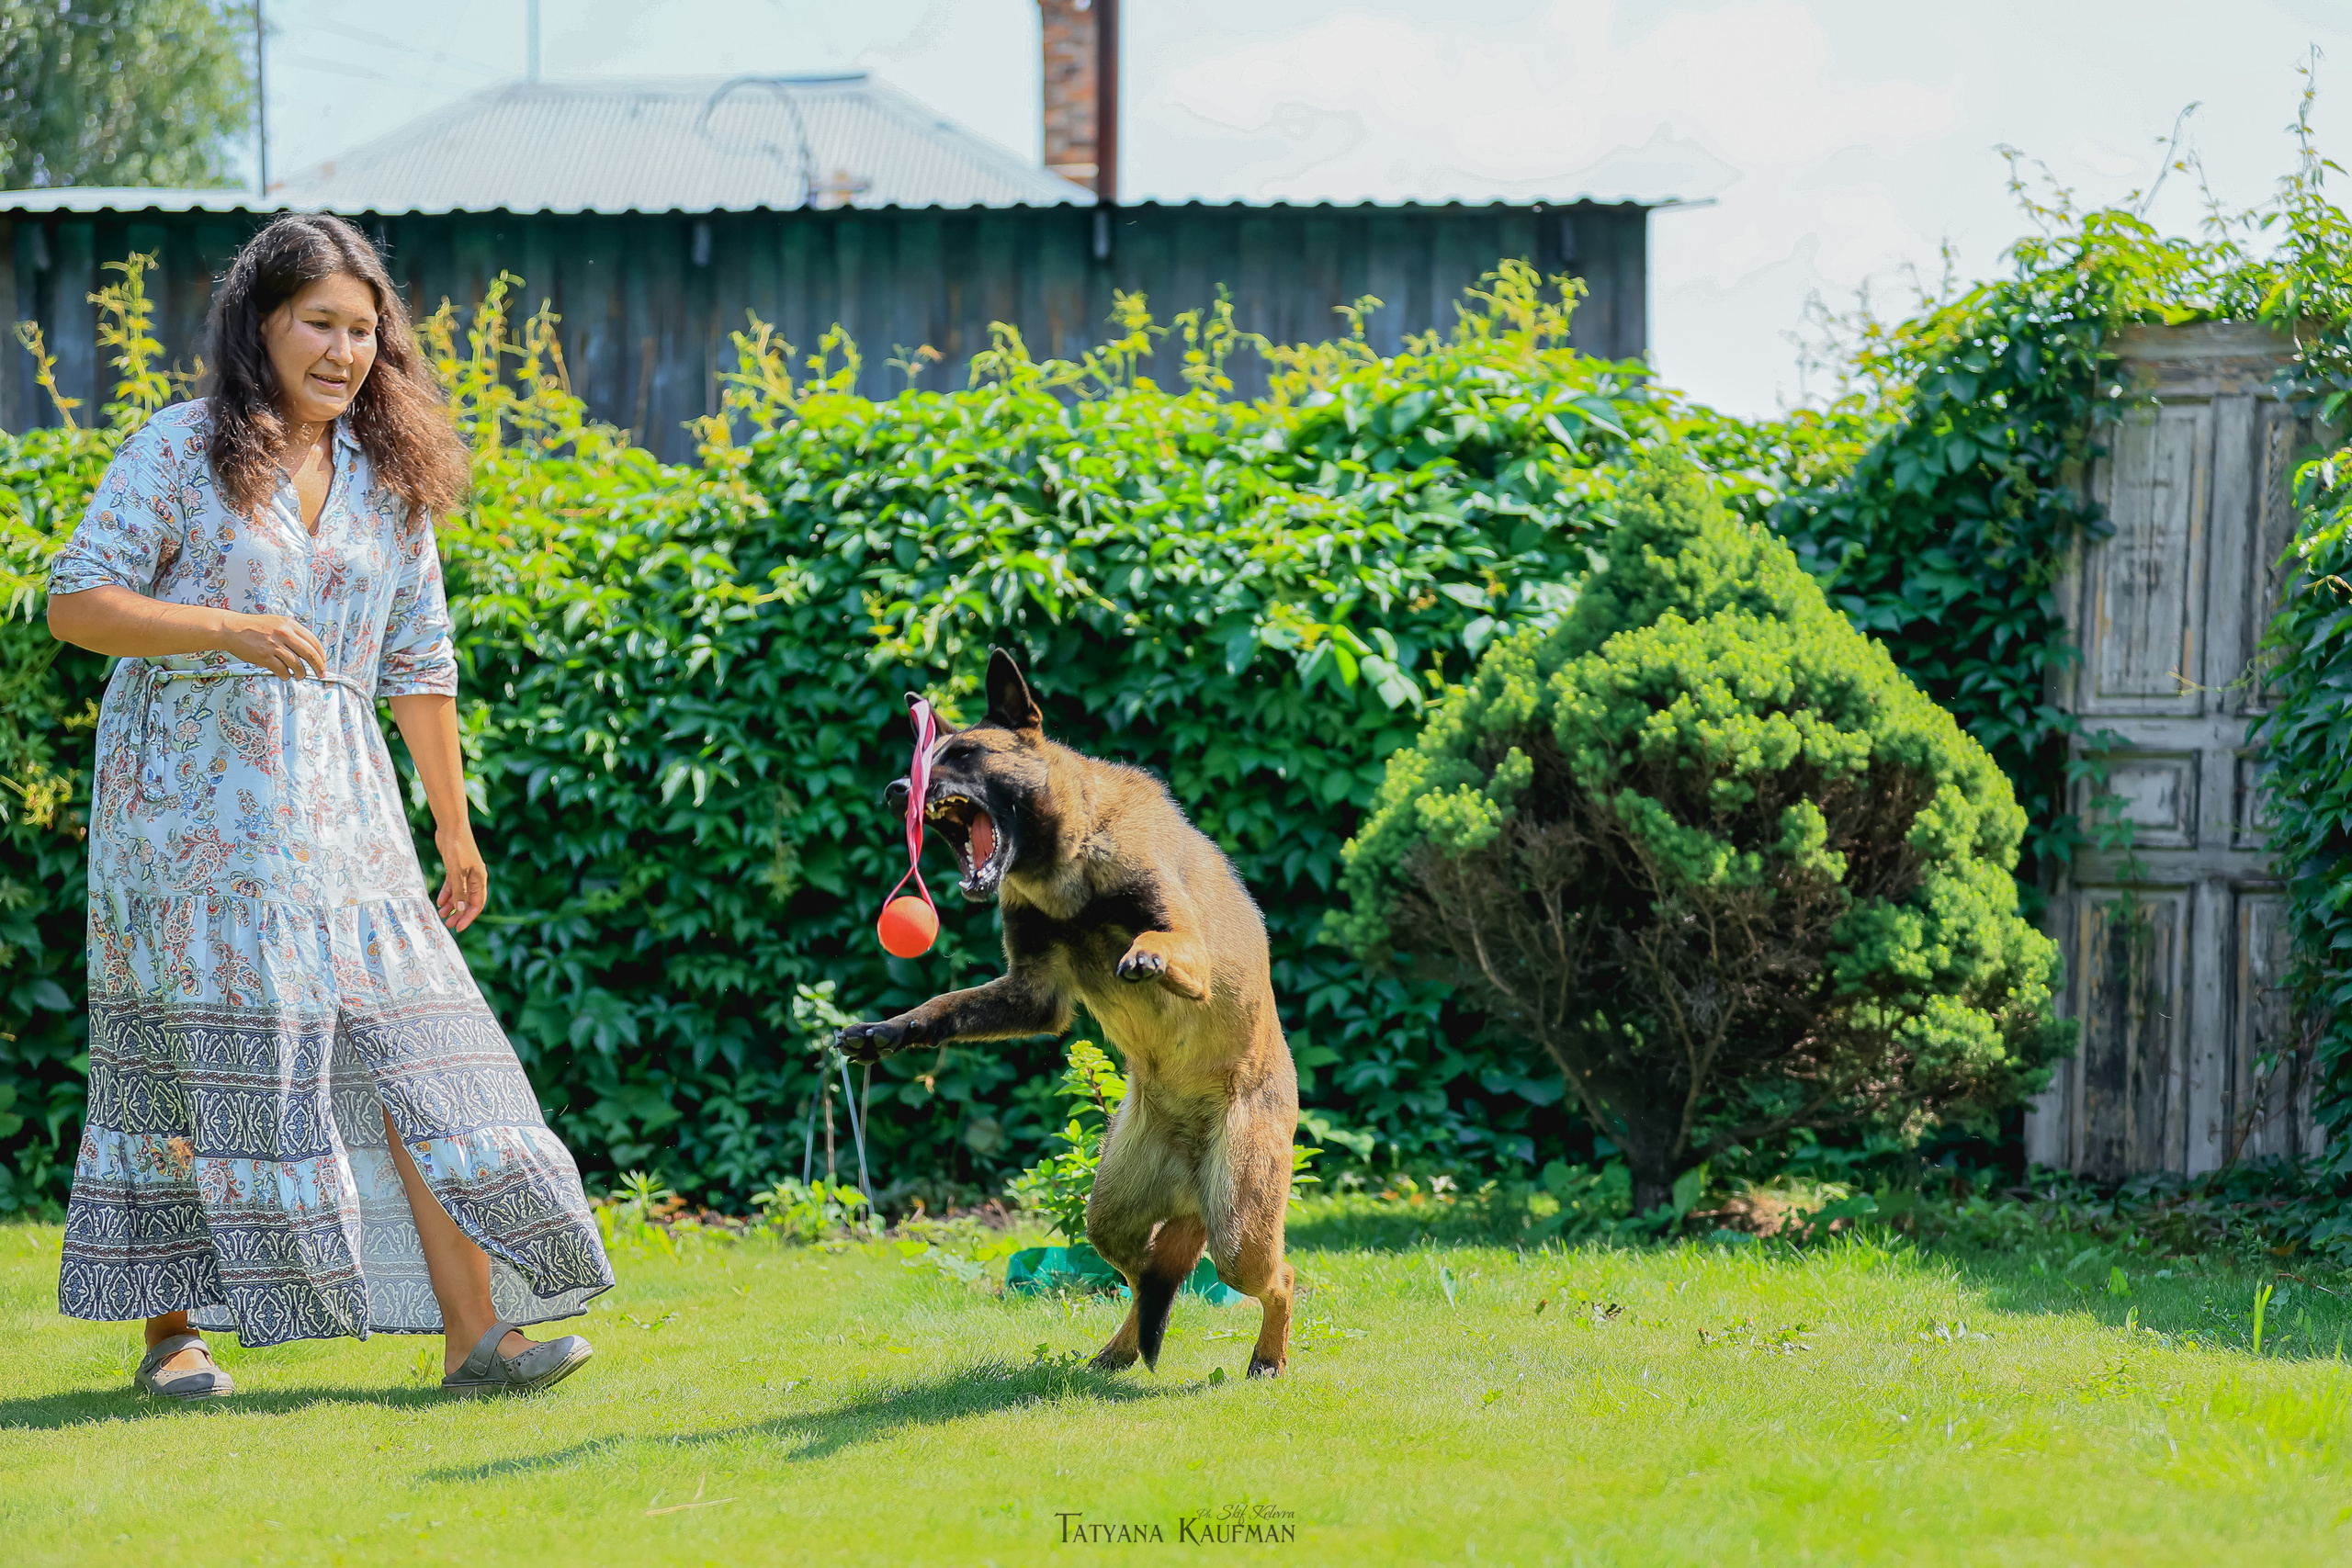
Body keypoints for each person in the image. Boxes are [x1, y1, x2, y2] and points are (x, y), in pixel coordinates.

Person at [46, 213, 612, 1399]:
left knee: (414, 1044)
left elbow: (422, 661)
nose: (346, 351)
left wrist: (452, 825)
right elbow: (78, 603)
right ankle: (172, 1335)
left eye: (365, 330)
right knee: (184, 1060)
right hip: (182, 807)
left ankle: (477, 1339)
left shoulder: (386, 477)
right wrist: (224, 628)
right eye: (320, 323)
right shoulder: (181, 449)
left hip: (341, 805)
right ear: (260, 325)